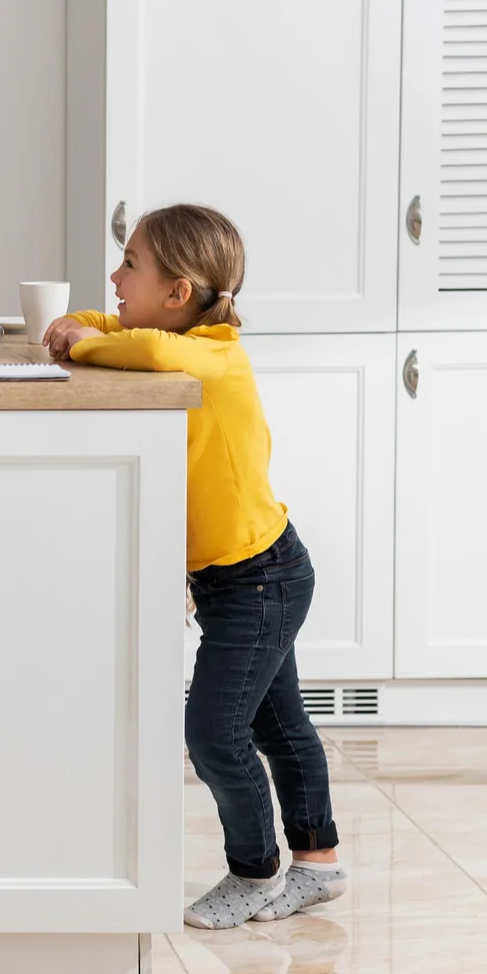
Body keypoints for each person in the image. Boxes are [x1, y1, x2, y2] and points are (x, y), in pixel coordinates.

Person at [44, 205, 344, 928]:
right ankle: (319, 864)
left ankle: (254, 872)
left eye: (131, 265)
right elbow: (118, 327)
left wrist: (82, 343)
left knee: (213, 732)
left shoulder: (215, 354)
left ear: (177, 294)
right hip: (246, 575)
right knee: (279, 723)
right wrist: (81, 325)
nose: (115, 276)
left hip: (260, 579)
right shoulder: (184, 333)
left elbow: (144, 353)